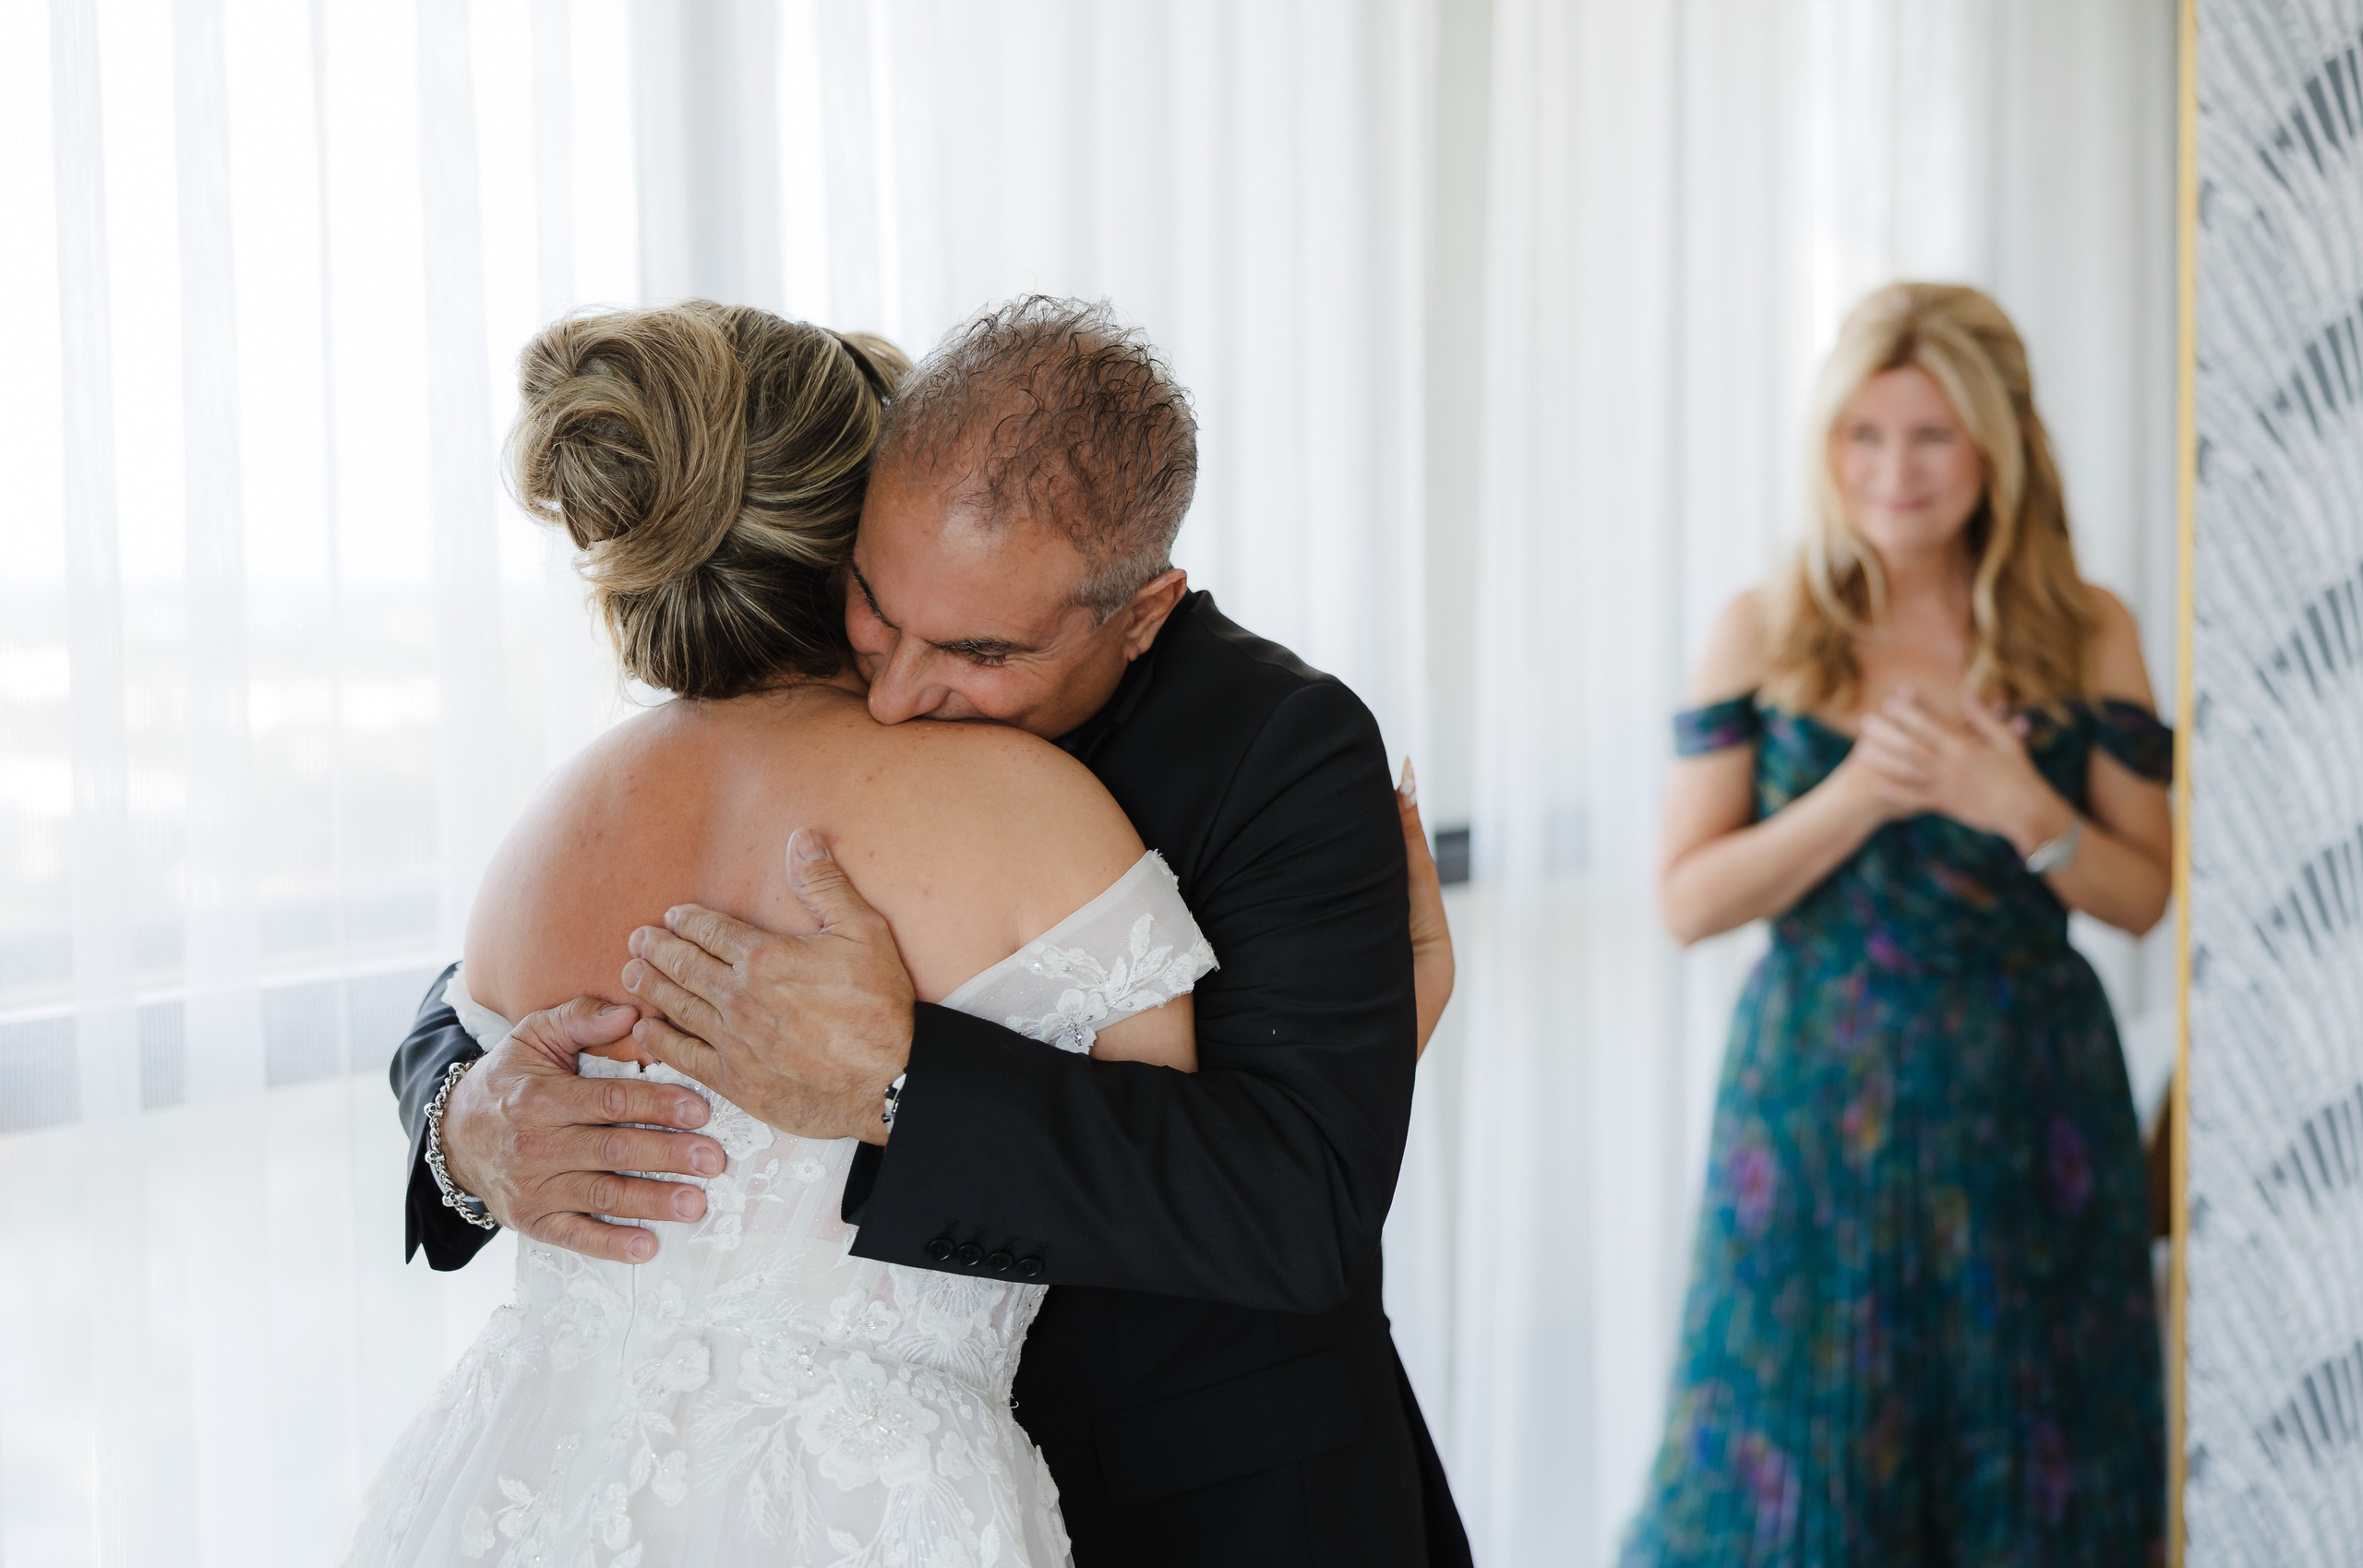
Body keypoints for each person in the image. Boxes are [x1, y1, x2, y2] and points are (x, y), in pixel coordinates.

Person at [377, 297, 1469, 1567]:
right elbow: (468, 1009)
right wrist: (462, 1126)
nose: (895, 696)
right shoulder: (675, 772)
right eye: (873, 610)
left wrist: (901, 1079)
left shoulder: (1271, 749)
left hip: (1194, 1499)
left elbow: (1298, 1205)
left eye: (979, 652)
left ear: (1141, 611)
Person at [1623, 282, 2170, 1563]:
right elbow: (1686, 901)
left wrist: (2022, 807)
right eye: (1863, 435)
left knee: (2037, 1454)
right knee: (1799, 1455)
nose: (1894, 470)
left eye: (1931, 436)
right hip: (1816, 1106)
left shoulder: (2091, 633)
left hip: (2030, 1107)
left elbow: (2144, 897)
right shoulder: (1765, 629)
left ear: (2000, 444)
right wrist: (1860, 797)